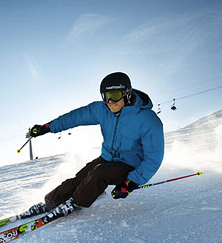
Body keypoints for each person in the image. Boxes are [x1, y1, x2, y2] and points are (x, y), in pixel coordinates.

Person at [21, 72, 165, 222]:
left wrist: (132, 182)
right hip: (107, 157)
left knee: (99, 173)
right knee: (80, 178)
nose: (110, 101)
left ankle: (75, 203)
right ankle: (51, 202)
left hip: (129, 165)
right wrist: (48, 127)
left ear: (127, 93)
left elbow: (153, 158)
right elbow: (75, 117)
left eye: (114, 95)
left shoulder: (148, 120)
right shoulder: (102, 110)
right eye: (106, 96)